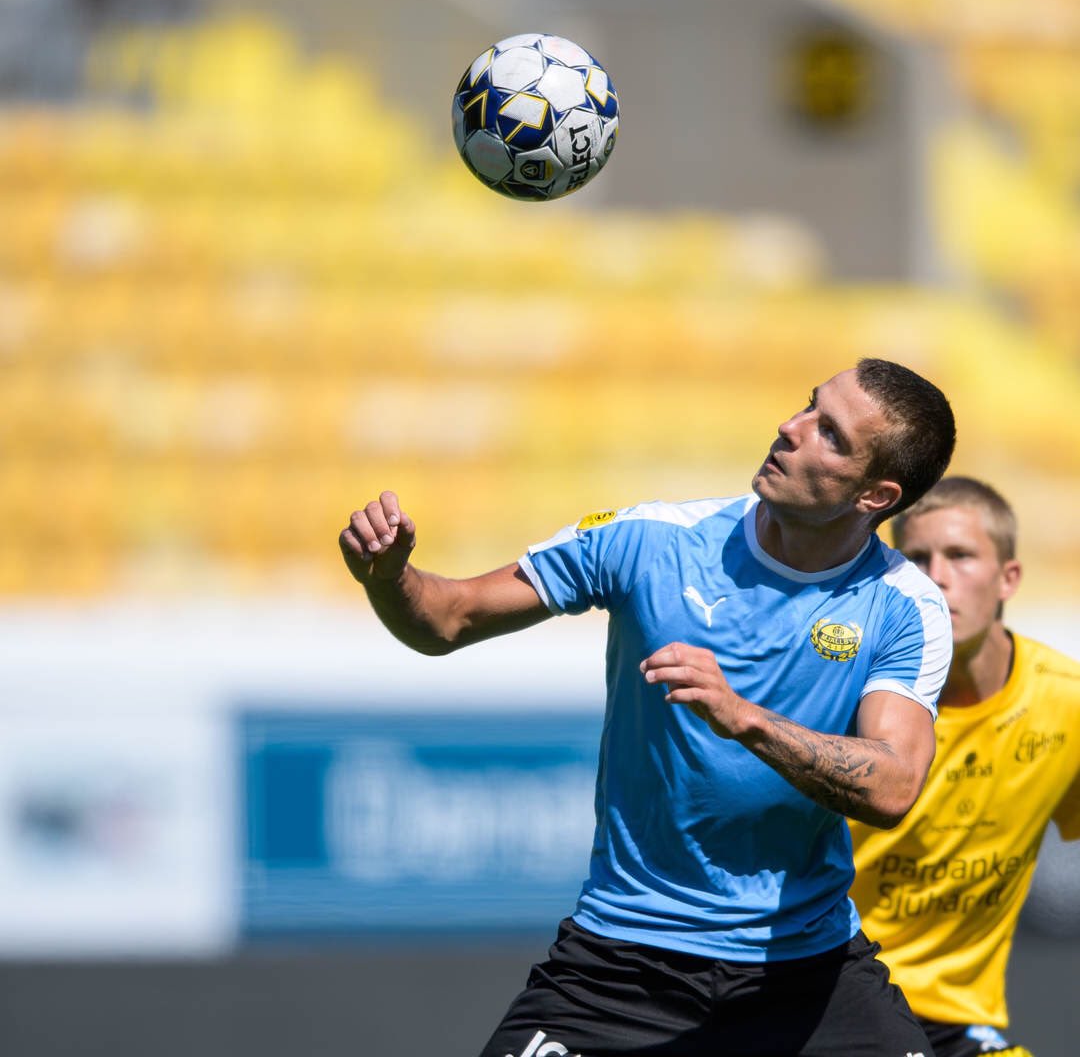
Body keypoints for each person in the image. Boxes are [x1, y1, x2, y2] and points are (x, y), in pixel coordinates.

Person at [340, 358, 957, 1057]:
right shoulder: (650, 541)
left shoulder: (906, 607)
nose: (789, 428)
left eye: (829, 434)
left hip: (808, 972)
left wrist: (745, 717)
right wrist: (391, 577)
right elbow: (447, 619)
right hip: (622, 964)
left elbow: (895, 783)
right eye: (806, 407)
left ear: (876, 495)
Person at [849, 477, 1080, 1057]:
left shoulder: (1066, 703)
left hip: (954, 1020)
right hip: (829, 999)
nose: (938, 577)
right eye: (917, 559)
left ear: (1009, 579)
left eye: (960, 555)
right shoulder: (843, 694)